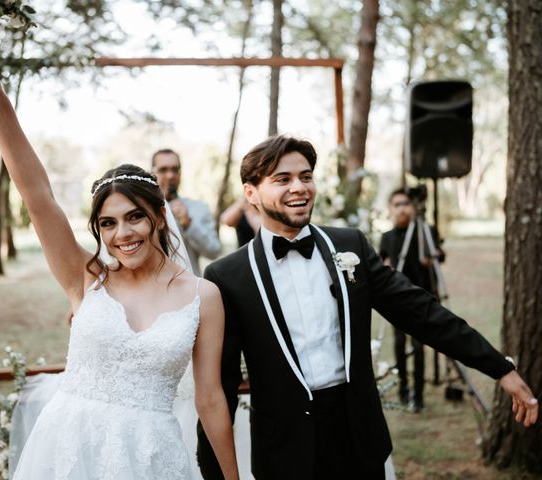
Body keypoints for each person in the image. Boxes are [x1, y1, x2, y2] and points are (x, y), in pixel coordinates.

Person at [0, 44, 239, 479]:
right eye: (107, 224)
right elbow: (37, 196)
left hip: (151, 457)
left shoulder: (204, 296)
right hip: (69, 448)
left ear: (159, 217)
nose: (121, 234)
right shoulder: (86, 279)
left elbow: (211, 399)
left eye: (134, 217)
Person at [196, 135, 538, 479]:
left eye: (306, 176)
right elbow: (218, 387)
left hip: (359, 438)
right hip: (284, 451)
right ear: (251, 193)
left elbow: (421, 312)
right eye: (282, 179)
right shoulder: (228, 276)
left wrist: (499, 368)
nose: (299, 187)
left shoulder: (350, 246)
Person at [379, 188, 444, 411]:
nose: (402, 208)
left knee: (418, 346)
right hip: (397, 299)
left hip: (423, 296)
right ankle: (403, 390)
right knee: (399, 344)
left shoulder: (425, 230)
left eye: (406, 203)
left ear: (413, 207)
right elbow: (381, 262)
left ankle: (419, 395)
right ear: (390, 209)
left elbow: (440, 254)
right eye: (397, 204)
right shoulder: (387, 237)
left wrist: (432, 256)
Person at [152, 149, 222, 275]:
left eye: (175, 170)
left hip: (190, 287)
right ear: (152, 173)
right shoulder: (142, 212)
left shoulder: (198, 208)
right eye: (163, 170)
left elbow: (214, 251)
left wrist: (188, 223)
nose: (170, 175)